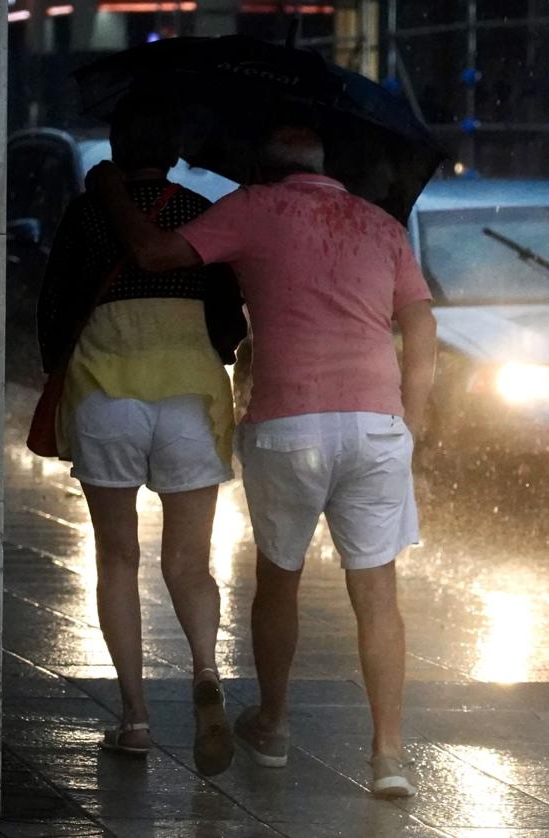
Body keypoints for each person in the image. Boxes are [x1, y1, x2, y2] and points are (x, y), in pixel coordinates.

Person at [86, 121, 438, 797]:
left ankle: (272, 726)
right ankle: (388, 755)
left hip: (290, 423)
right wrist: (410, 419)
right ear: (324, 165)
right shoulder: (378, 223)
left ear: (265, 167)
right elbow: (420, 322)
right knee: (378, 593)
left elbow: (155, 254)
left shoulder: (252, 207)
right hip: (375, 424)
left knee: (280, 579)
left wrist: (109, 189)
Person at [36, 94, 245, 777]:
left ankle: (134, 718)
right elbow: (228, 324)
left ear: (116, 151)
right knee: (189, 564)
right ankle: (206, 669)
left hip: (106, 391)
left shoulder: (89, 212)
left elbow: (54, 304)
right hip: (189, 395)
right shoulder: (199, 214)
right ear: (176, 152)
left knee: (117, 559)